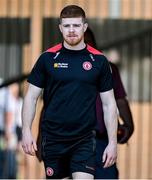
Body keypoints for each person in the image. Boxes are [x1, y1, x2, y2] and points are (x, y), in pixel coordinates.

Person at [21, 5, 118, 179]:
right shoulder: (47, 58)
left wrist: (112, 142)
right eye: (66, 26)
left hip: (84, 140)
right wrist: (26, 131)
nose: (71, 30)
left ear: (85, 27)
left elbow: (109, 103)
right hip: (53, 139)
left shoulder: (99, 61)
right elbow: (31, 97)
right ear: (60, 28)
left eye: (76, 25)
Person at [84, 27, 134, 179]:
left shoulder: (108, 69)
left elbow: (120, 101)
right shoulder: (63, 71)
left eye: (87, 42)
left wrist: (129, 125)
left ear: (95, 44)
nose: (84, 47)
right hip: (75, 140)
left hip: (102, 140)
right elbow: (50, 105)